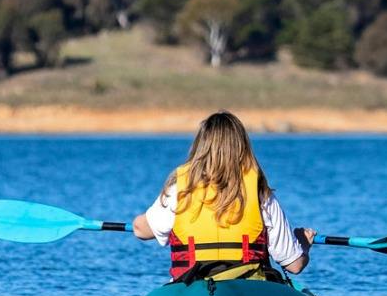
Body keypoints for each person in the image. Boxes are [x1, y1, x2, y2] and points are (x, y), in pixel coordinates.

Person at [132, 110, 313, 282]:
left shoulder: (180, 189)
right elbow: (294, 265)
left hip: (192, 288)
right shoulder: (260, 193)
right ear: (243, 147)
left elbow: (140, 229)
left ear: (200, 146)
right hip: (248, 290)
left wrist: (148, 221)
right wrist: (303, 245)